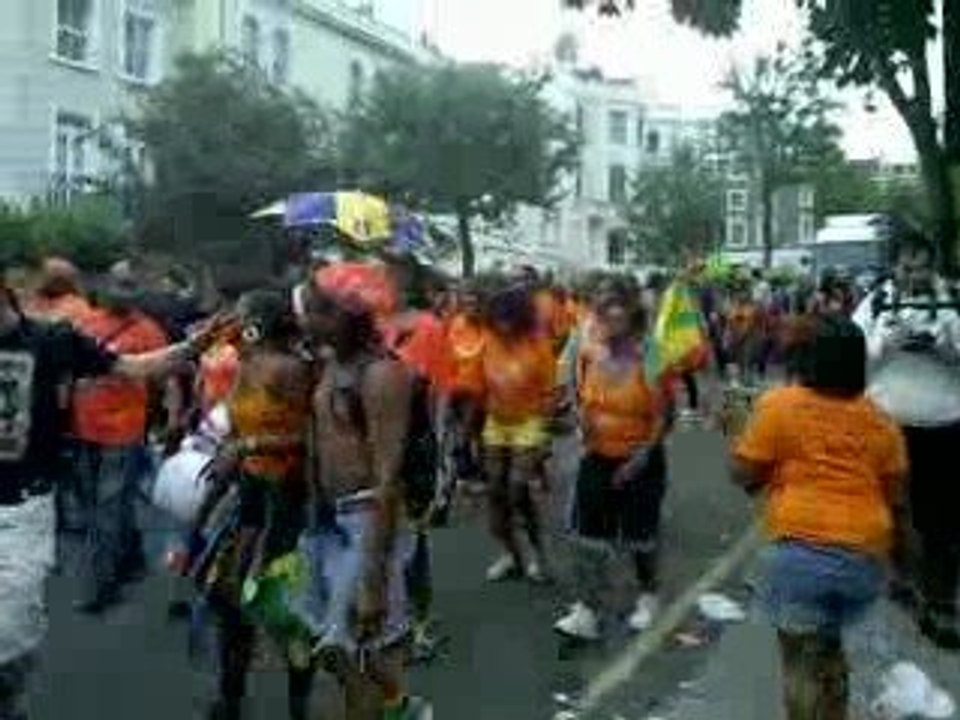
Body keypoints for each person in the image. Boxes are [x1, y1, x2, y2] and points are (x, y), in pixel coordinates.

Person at [0, 263, 222, 720]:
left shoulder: (52, 340)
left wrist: (192, 347)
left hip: (25, 506)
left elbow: (131, 367)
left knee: (12, 626)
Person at [732, 314, 908, 720]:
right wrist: (901, 564)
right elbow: (897, 500)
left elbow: (744, 475)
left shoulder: (780, 406)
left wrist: (742, 434)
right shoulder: (881, 422)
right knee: (830, 651)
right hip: (864, 559)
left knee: (800, 666)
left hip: (799, 555)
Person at [304, 264, 430, 720]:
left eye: (322, 312)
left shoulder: (381, 376)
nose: (310, 319)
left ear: (352, 316)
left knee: (360, 649)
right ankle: (405, 707)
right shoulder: (329, 363)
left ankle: (395, 707)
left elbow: (387, 479)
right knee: (332, 648)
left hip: (367, 524)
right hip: (327, 520)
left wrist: (374, 579)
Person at [187, 290, 314, 720]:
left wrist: (248, 445)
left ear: (259, 322)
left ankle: (299, 704)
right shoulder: (247, 363)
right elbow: (237, 429)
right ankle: (231, 698)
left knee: (281, 610)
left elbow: (313, 440)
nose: (232, 325)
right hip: (252, 491)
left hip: (290, 498)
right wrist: (224, 458)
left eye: (241, 319)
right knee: (228, 599)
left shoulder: (291, 369)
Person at [852, 227, 960, 649]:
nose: (914, 274)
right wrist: (884, 343)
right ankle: (899, 576)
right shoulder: (876, 303)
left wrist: (947, 349)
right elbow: (850, 361)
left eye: (922, 265)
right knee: (890, 511)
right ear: (894, 265)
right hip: (886, 428)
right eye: (906, 265)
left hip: (944, 426)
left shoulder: (953, 300)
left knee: (943, 519)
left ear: (934, 265)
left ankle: (941, 601)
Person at [554, 282, 669, 640]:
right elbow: (581, 397)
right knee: (588, 534)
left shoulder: (651, 352)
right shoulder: (592, 352)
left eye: (613, 309)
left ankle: (649, 596)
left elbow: (666, 415)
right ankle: (589, 608)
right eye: (600, 311)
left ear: (631, 314)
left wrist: (641, 457)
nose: (603, 318)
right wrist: (579, 418)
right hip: (597, 455)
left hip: (640, 459)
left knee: (639, 536)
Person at [70, 276, 171, 613]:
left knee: (107, 508)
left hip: (124, 431)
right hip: (84, 428)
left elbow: (163, 377)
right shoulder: (87, 322)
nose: (124, 292)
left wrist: (168, 419)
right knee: (95, 504)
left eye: (131, 287)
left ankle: (102, 585)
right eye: (119, 285)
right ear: (104, 288)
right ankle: (131, 557)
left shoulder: (148, 331)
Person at [461, 282, 555, 583]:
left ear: (520, 317)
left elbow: (550, 393)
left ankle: (539, 556)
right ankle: (511, 556)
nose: (502, 326)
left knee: (518, 489)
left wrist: (544, 436)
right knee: (496, 492)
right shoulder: (488, 342)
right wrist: (466, 430)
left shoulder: (537, 344)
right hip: (496, 423)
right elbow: (477, 389)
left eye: (508, 319)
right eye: (496, 319)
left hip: (529, 422)